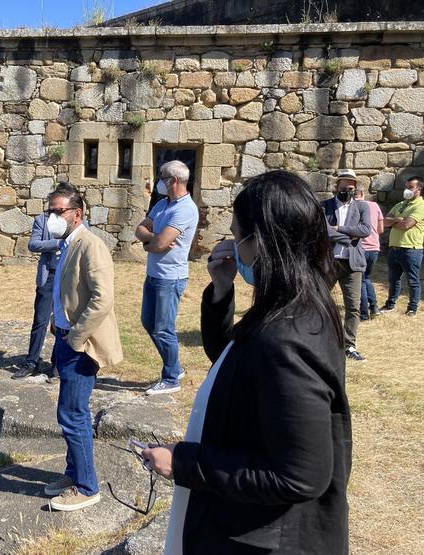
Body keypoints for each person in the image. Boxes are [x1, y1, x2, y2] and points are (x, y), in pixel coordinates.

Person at [142, 170, 352, 555]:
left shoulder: (288, 335)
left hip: (264, 537)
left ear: (263, 241)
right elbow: (233, 362)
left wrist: (185, 463)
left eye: (239, 236)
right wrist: (222, 290)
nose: (233, 246)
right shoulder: (289, 305)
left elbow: (300, 475)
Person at [43, 182, 123, 512]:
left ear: (77, 213)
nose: (52, 217)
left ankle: (87, 486)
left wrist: (75, 337)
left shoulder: (91, 245)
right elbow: (69, 292)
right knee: (71, 411)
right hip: (66, 338)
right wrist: (57, 322)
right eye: (49, 211)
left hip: (81, 344)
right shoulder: (68, 243)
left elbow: (103, 299)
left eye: (58, 211)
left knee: (73, 415)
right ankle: (74, 472)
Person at [134, 161, 199, 395]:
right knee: (149, 322)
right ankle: (175, 366)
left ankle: (171, 378)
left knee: (163, 328)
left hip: (170, 278)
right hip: (154, 275)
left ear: (173, 181)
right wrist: (151, 239)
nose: (157, 181)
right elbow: (141, 230)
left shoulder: (186, 209)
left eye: (161, 177)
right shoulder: (162, 204)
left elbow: (162, 244)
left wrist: (153, 242)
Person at [321, 169, 371, 362]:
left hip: (352, 263)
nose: (347, 191)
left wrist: (339, 229)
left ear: (355, 189)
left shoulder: (362, 207)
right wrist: (350, 236)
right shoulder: (324, 206)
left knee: (353, 307)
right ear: (336, 187)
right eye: (343, 187)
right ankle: (323, 341)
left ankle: (349, 345)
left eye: (351, 188)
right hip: (329, 262)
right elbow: (323, 231)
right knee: (321, 302)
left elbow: (365, 230)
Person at [10, 203, 61, 380]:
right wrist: (57, 243)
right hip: (49, 276)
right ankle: (31, 362)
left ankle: (57, 364)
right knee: (40, 320)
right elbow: (33, 244)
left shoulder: (77, 220)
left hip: (68, 277)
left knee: (62, 323)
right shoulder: (42, 220)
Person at [381, 176, 424, 317]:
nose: (407, 190)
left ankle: (412, 308)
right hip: (394, 248)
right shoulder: (400, 204)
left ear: (419, 189)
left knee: (412, 280)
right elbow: (384, 222)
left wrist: (395, 221)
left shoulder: (420, 206)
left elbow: (406, 225)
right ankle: (390, 304)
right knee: (393, 279)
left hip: (411, 249)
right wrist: (396, 220)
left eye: (410, 187)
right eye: (406, 187)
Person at [355, 187, 384, 321]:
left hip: (360, 248)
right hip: (374, 248)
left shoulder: (352, 206)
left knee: (360, 281)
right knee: (366, 277)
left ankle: (364, 313)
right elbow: (381, 229)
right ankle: (374, 307)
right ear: (362, 193)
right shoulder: (374, 205)